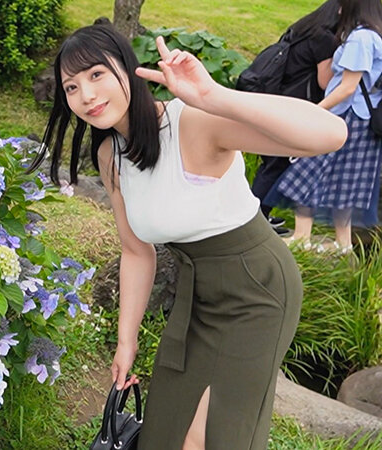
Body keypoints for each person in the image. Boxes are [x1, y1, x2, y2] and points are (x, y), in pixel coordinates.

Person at [30, 25, 346, 449]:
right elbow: (135, 251)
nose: (86, 94)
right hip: (195, 296)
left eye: (96, 75)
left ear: (127, 69)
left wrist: (214, 96)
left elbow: (330, 134)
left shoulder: (192, 122)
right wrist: (126, 341)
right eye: (72, 86)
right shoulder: (110, 155)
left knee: (208, 437)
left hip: (256, 291)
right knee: (167, 428)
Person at [264, 0, 382, 253]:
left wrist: (315, 111)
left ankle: (301, 238)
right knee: (346, 182)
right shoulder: (376, 36)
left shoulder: (360, 38)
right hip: (364, 121)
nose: (339, 8)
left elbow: (347, 88)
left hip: (346, 117)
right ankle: (343, 244)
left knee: (306, 171)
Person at [249, 0, 340, 235]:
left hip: (277, 97)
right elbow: (325, 81)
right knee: (277, 164)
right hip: (294, 104)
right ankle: (254, 221)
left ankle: (259, 216)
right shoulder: (325, 39)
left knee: (273, 162)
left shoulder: (304, 27)